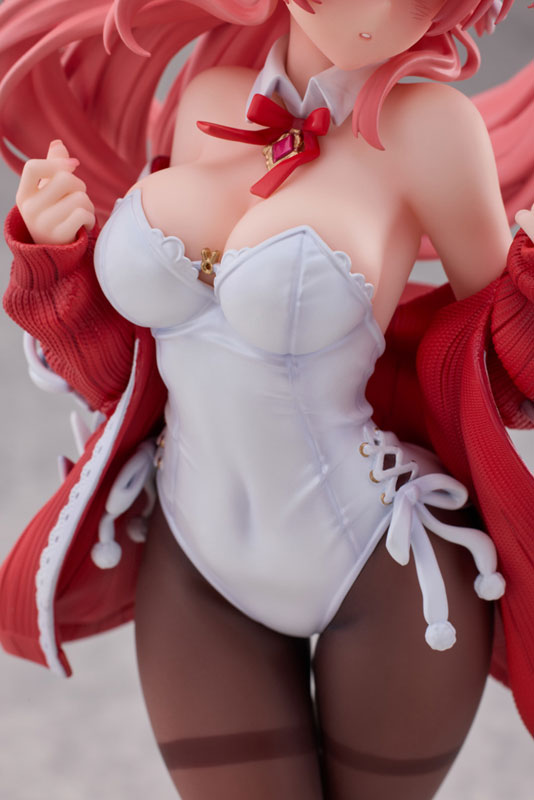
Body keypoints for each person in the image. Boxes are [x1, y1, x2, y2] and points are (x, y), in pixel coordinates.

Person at [0, 0, 533, 798]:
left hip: (384, 564)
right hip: (195, 559)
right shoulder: (211, 98)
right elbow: (132, 372)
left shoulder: (431, 132)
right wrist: (55, 261)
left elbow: (502, 374)